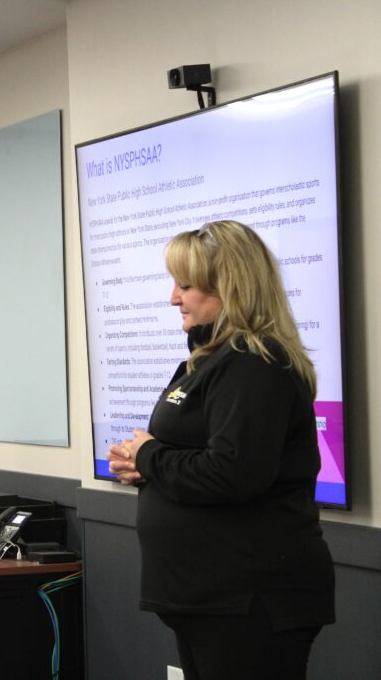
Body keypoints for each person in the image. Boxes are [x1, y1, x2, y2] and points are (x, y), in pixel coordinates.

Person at [107, 220, 334, 679]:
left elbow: (232, 471)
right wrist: (144, 465)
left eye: (186, 285)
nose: (174, 298)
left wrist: (150, 457)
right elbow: (196, 455)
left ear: (229, 286)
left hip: (249, 600)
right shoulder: (211, 360)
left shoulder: (255, 364)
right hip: (208, 599)